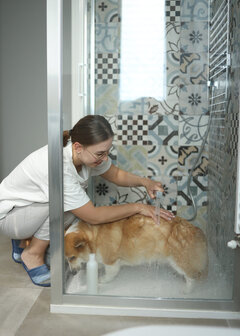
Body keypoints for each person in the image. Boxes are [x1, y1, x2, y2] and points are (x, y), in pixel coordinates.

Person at [0, 115, 174, 287]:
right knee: (65, 204)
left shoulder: (85, 156)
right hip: (11, 216)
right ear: (78, 147)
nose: (105, 158)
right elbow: (93, 216)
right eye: (100, 153)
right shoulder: (57, 165)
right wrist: (138, 207)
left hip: (27, 210)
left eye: (107, 152)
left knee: (71, 206)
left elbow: (115, 174)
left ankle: (23, 241)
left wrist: (145, 182)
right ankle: (32, 253)